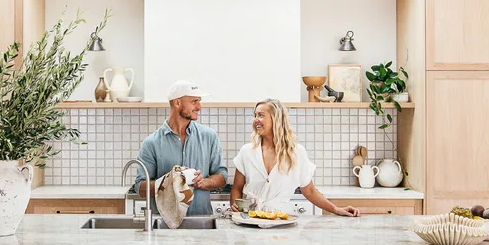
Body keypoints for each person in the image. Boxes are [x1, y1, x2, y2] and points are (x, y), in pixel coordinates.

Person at [230, 98, 359, 217]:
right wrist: (236, 212)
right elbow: (237, 188)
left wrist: (336, 209)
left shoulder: (297, 153)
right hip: (251, 221)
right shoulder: (247, 152)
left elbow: (309, 191)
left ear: (276, 119)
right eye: (255, 115)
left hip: (281, 222)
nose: (255, 120)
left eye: (261, 115)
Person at [135, 80, 227, 216]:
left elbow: (222, 177)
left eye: (199, 101)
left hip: (201, 221)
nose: (199, 107)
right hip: (164, 224)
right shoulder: (151, 143)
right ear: (177, 103)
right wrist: (168, 182)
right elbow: (140, 188)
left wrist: (204, 182)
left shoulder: (209, 136)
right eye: (194, 101)